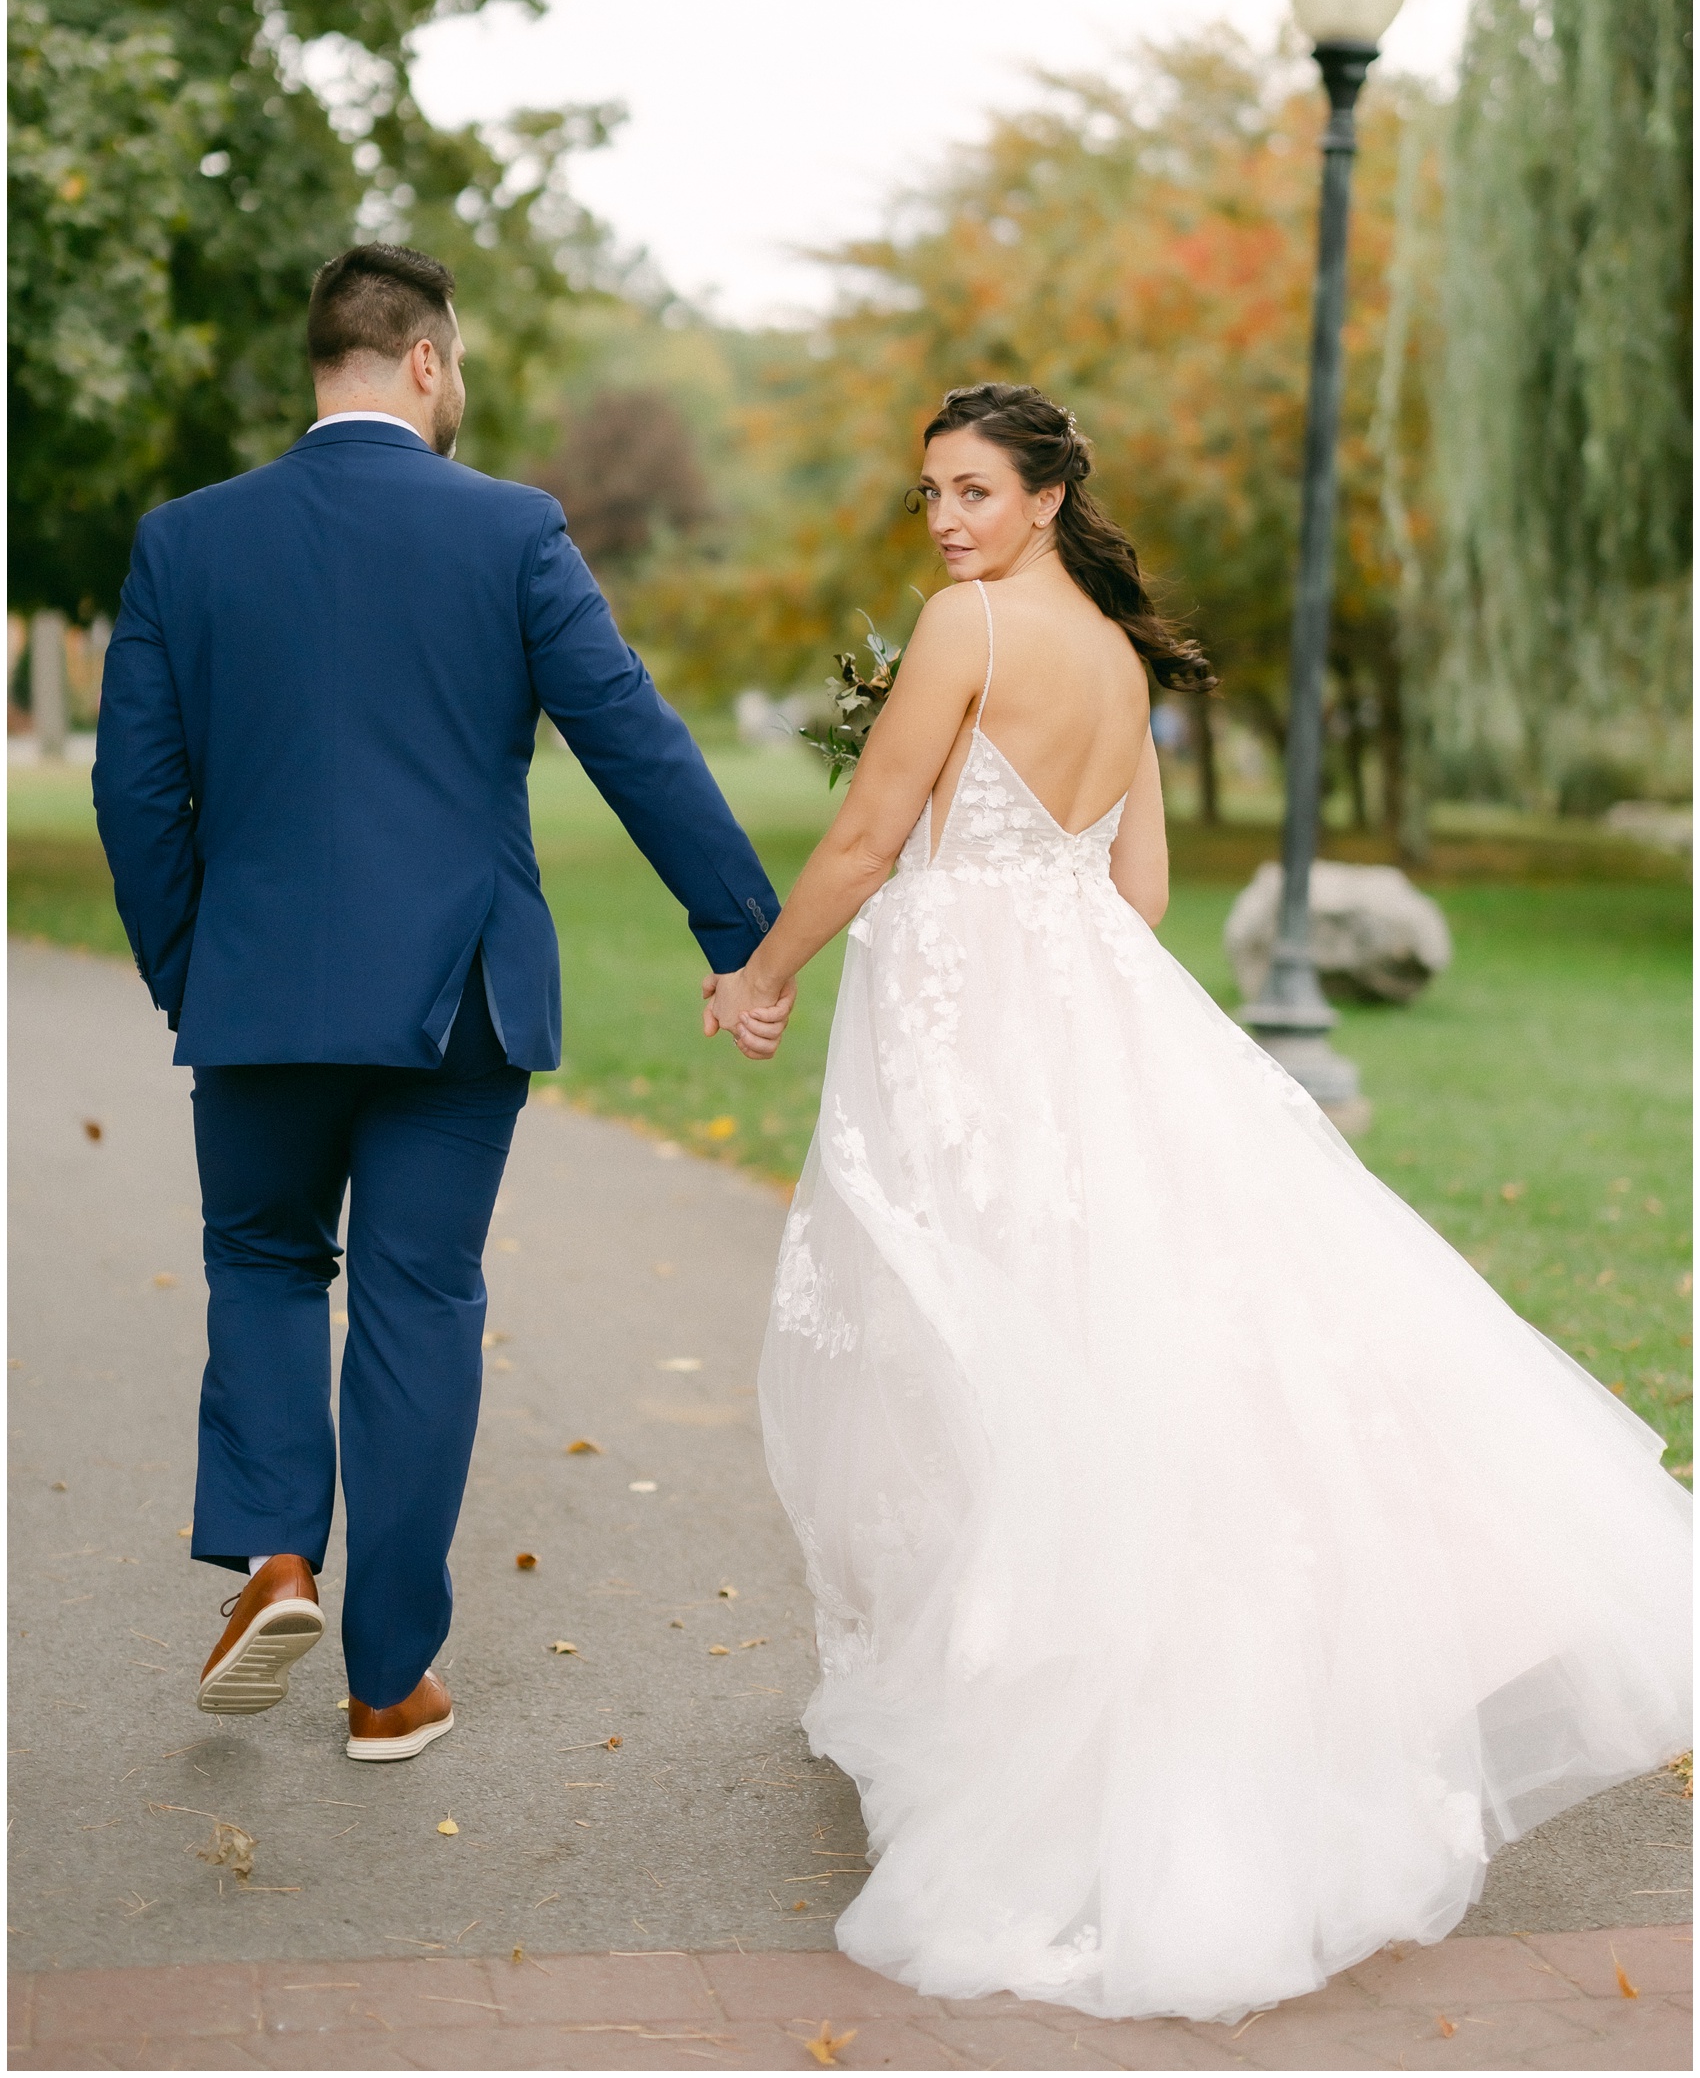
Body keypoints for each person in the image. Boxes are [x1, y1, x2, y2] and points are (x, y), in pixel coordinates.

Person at [711, 380, 1692, 2024]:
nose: (944, 520)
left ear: (1039, 497)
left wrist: (766, 973)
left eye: (969, 490)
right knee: (1116, 1344)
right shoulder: (1115, 651)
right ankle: (1126, 1683)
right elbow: (1142, 895)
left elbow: (874, 827)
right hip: (1097, 1015)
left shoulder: (969, 628)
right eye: (929, 496)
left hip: (974, 1032)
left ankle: (1023, 1704)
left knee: (972, 1346)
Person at [94, 243, 787, 1761]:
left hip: (258, 995)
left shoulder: (185, 544)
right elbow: (634, 739)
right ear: (423, 362)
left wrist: (190, 976)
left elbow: (135, 794)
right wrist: (745, 931)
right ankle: (386, 1681)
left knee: (266, 1264)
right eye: (458, 365)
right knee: (418, 1302)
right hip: (456, 1001)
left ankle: (276, 1553)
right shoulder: (512, 532)